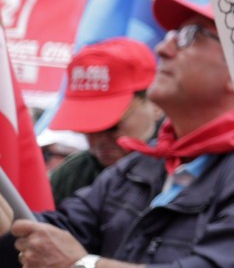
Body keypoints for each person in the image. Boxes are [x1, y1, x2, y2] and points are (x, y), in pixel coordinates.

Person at [0, 0, 234, 268]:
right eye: (170, 34)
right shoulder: (142, 166)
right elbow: (37, 253)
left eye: (191, 36)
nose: (163, 47)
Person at [44, 37, 161, 204]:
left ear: (155, 104)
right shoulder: (71, 175)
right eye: (87, 128)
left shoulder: (189, 170)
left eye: (112, 126)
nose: (98, 141)